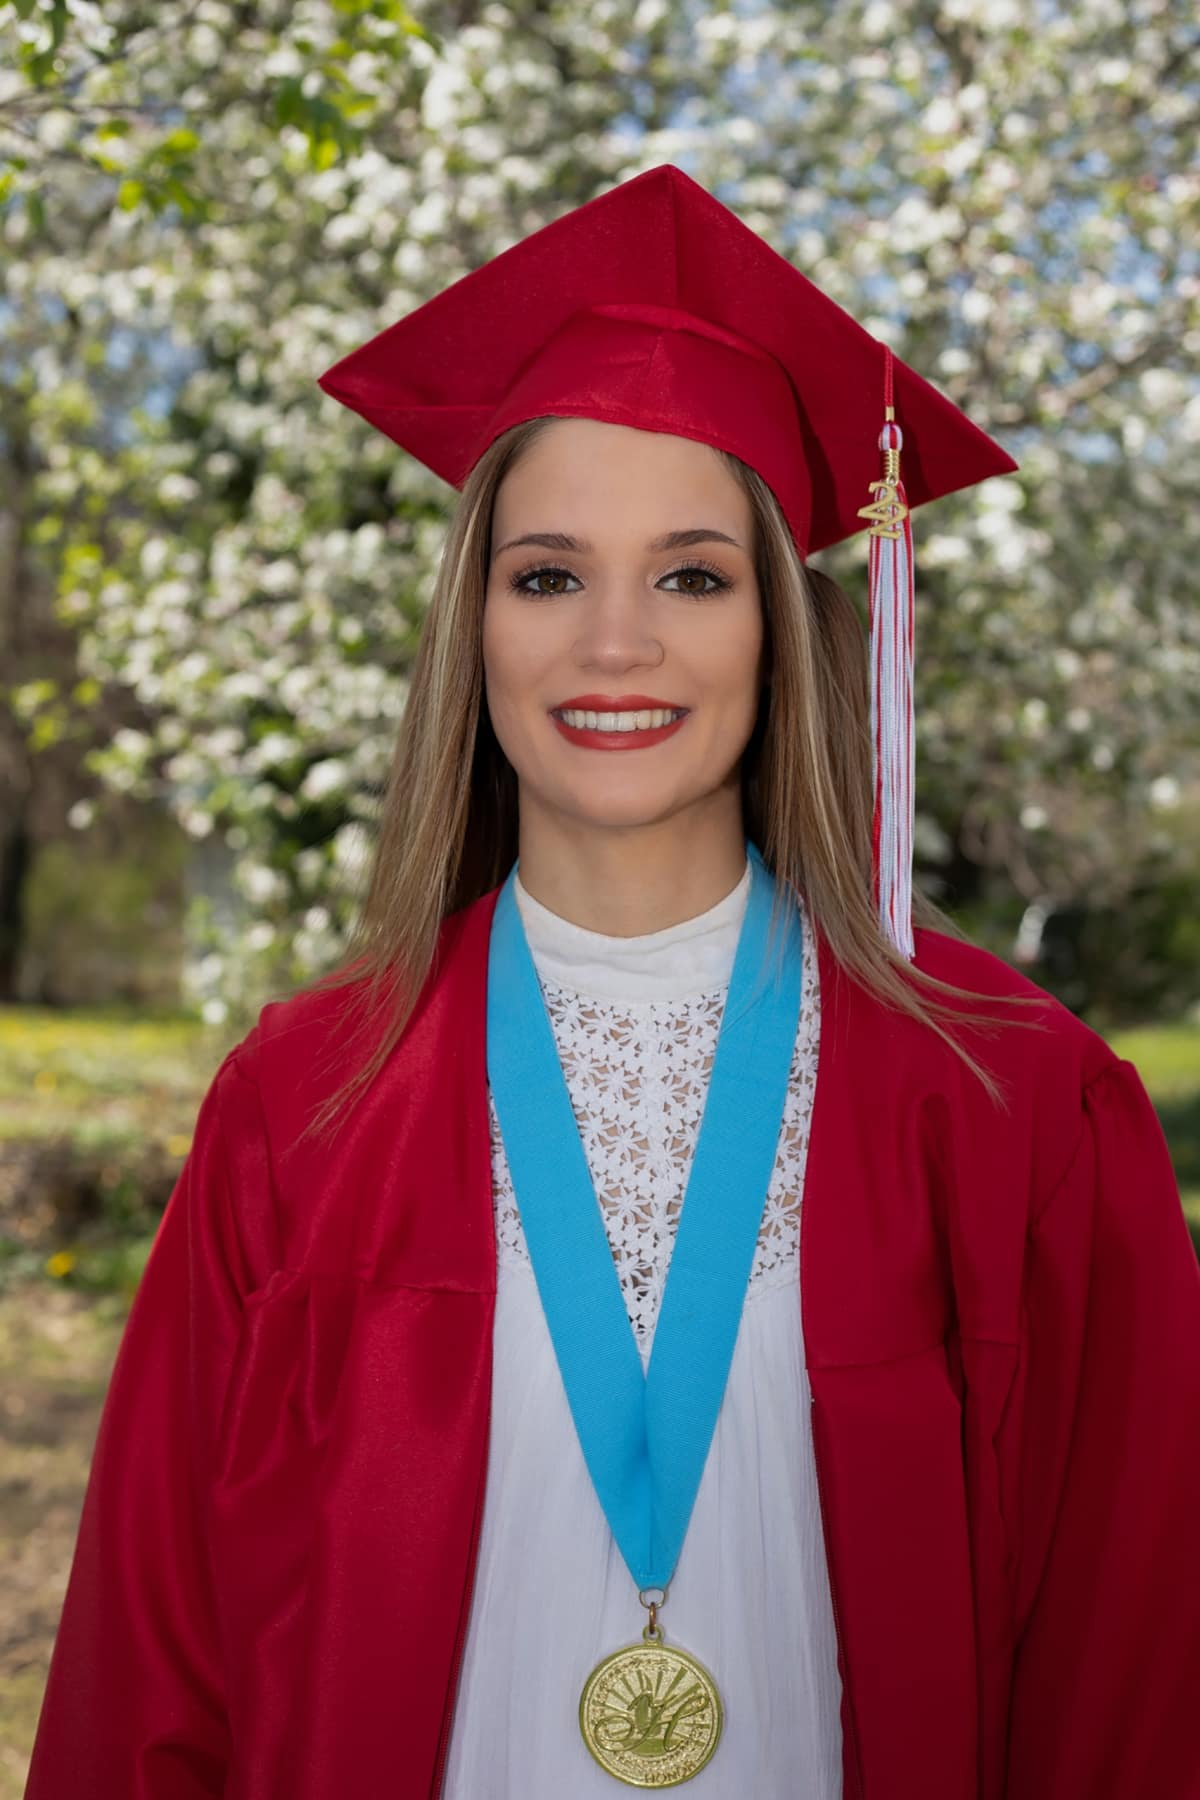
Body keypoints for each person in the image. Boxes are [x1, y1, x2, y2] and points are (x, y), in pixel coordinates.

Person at [25, 165, 1200, 1800]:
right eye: (549, 574)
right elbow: (155, 1673)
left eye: (694, 575)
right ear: (476, 627)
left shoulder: (1011, 1102)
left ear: (781, 627)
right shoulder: (304, 1103)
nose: (616, 644)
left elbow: (1129, 1670)